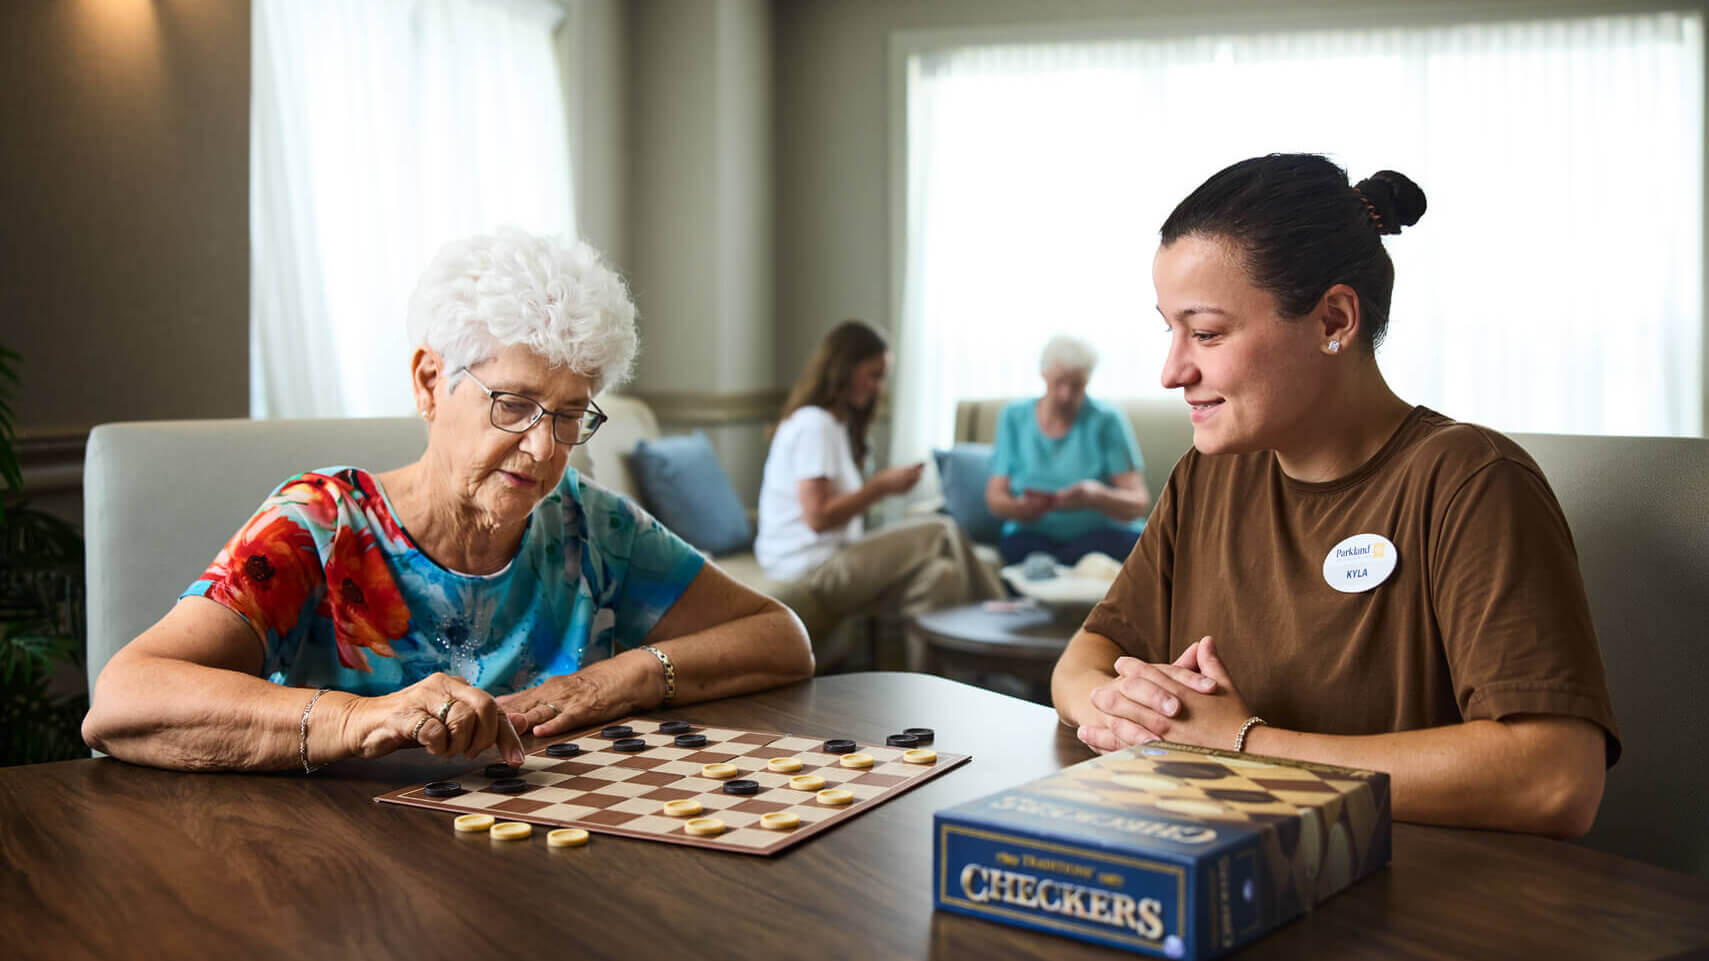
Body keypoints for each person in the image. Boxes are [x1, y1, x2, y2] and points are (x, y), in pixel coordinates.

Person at [83, 228, 816, 772]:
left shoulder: (589, 525)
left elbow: (781, 637)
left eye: (569, 414)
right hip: (335, 871)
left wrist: (621, 676)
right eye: (515, 404)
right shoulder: (319, 523)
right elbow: (123, 697)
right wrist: (360, 718)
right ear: (430, 381)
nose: (544, 448)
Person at [1051, 154, 1618, 838]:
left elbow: (1557, 777)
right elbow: (1082, 660)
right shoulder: (1206, 478)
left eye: (1204, 332)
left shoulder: (1471, 481)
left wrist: (1241, 746)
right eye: (1169, 329)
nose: (1172, 370)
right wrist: (1121, 706)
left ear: (1333, 320)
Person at [755, 319, 1001, 670]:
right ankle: (1000, 612)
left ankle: (924, 690)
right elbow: (818, 517)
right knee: (939, 530)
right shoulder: (815, 425)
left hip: (834, 559)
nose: (878, 387)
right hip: (808, 566)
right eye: (873, 375)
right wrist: (881, 487)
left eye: (882, 377)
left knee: (939, 576)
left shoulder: (835, 426)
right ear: (844, 368)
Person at [985, 335, 1152, 566]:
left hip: (1100, 535)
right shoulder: (1013, 417)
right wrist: (1021, 509)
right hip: (1031, 535)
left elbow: (1138, 503)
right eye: (1059, 382)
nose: (1066, 394)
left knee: (1125, 547)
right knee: (1023, 551)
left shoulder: (1107, 420)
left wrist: (1097, 497)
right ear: (1044, 375)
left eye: (1077, 385)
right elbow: (995, 498)